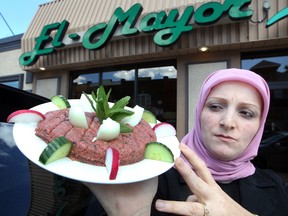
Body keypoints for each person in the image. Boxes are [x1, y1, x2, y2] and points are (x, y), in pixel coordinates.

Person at [85, 68, 288, 216]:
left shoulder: (275, 186)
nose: (228, 122)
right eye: (216, 107)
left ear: (260, 125)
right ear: (199, 112)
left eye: (246, 113)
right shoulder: (149, 174)